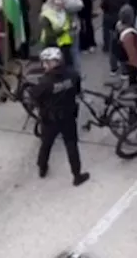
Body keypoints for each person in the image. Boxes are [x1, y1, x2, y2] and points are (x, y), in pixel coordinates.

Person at [31, 47, 89, 185]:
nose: (43, 65)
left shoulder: (45, 82)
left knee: (46, 144)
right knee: (71, 145)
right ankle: (77, 175)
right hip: (68, 117)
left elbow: (34, 97)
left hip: (50, 120)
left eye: (45, 62)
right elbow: (77, 91)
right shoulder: (73, 75)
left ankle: (42, 167)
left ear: (52, 63)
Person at [115, 5, 137, 86]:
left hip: (127, 64)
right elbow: (133, 55)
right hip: (135, 68)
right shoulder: (129, 34)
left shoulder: (119, 26)